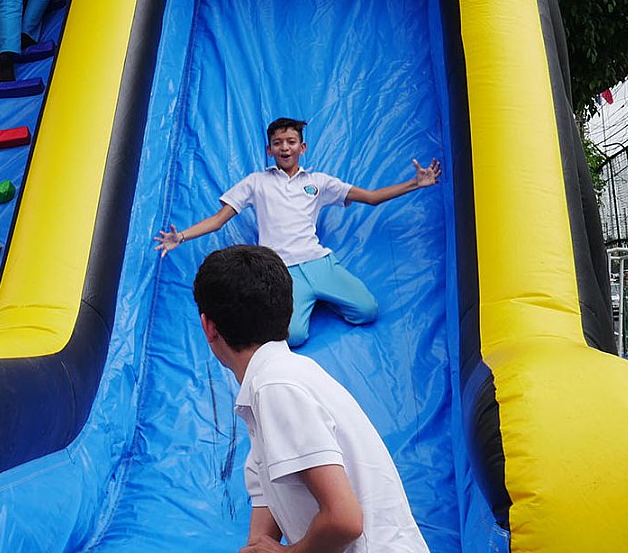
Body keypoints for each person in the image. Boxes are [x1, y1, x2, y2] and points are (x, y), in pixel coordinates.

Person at [193, 244, 430, 552]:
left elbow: (345, 520)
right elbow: (263, 521)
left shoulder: (276, 387)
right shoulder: (272, 385)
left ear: (208, 327)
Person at [156, 117, 440, 347]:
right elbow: (219, 220)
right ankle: (309, 300)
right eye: (277, 143)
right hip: (282, 271)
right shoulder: (256, 182)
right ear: (269, 150)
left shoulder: (319, 182)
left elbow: (372, 197)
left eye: (291, 142)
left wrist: (414, 184)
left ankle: (324, 296)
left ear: (302, 147)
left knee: (368, 311)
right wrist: (180, 236)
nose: (285, 147)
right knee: (293, 337)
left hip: (319, 262)